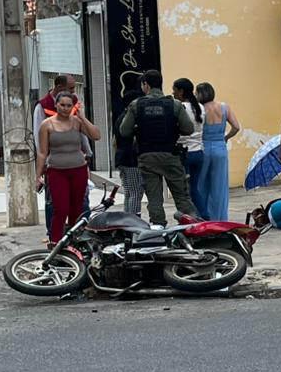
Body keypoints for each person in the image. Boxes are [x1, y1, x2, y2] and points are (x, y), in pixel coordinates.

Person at [118, 69, 197, 225]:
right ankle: (190, 226)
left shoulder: (136, 105)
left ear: (145, 85)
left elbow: (124, 131)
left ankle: (158, 229)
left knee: (154, 198)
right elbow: (188, 129)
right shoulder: (174, 104)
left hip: (147, 157)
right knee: (181, 196)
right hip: (170, 155)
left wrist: (138, 128)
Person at [36, 91, 102, 242]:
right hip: (56, 171)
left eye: (69, 105)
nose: (65, 108)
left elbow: (96, 136)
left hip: (78, 170)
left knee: (77, 209)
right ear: (56, 105)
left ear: (73, 106)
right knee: (60, 208)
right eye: (62, 105)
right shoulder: (47, 125)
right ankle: (55, 242)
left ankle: (72, 241)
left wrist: (82, 117)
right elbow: (42, 152)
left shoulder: (77, 122)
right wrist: (38, 176)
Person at [195, 81, 241, 220]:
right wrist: (226, 137)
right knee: (219, 185)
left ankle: (203, 216)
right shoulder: (224, 107)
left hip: (203, 148)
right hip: (220, 147)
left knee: (201, 184)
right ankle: (220, 218)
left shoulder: (199, 109)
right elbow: (236, 127)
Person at [173, 78, 206, 217]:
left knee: (183, 192)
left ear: (181, 91)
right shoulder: (200, 107)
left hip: (184, 153)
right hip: (198, 152)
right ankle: (205, 217)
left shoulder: (180, 108)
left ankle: (190, 219)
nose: (173, 93)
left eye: (174, 89)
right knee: (195, 189)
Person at [114, 83, 144, 215]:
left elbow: (114, 141)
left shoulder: (120, 116)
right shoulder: (130, 118)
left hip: (121, 158)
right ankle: (133, 220)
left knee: (128, 191)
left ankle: (127, 219)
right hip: (131, 160)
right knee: (136, 192)